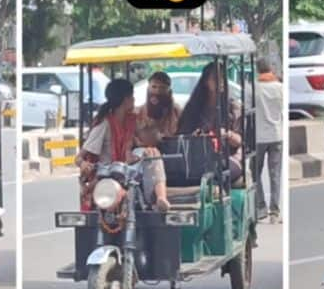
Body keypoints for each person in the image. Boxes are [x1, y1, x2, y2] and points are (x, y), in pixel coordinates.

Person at [76, 78, 170, 212]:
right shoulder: (104, 124)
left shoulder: (131, 120)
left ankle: (161, 198)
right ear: (125, 100)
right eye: (132, 97)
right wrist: (83, 164)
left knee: (152, 153)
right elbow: (78, 158)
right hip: (106, 176)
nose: (134, 100)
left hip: (125, 171)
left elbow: (147, 140)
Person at [177, 62, 244, 181]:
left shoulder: (233, 107)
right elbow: (182, 135)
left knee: (224, 171)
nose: (221, 81)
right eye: (215, 78)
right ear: (206, 82)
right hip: (198, 157)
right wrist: (196, 137)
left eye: (223, 77)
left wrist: (227, 134)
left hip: (226, 157)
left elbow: (241, 141)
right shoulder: (194, 108)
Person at [254, 57, 283, 223]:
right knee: (275, 174)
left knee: (256, 173)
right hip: (277, 135)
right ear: (270, 69)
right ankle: (274, 212)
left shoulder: (254, 88)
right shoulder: (280, 88)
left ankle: (261, 207)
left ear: (258, 70)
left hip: (259, 137)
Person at [135, 71, 181, 137]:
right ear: (148, 89)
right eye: (154, 87)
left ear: (169, 91)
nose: (157, 91)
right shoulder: (139, 113)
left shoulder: (177, 112)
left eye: (162, 88)